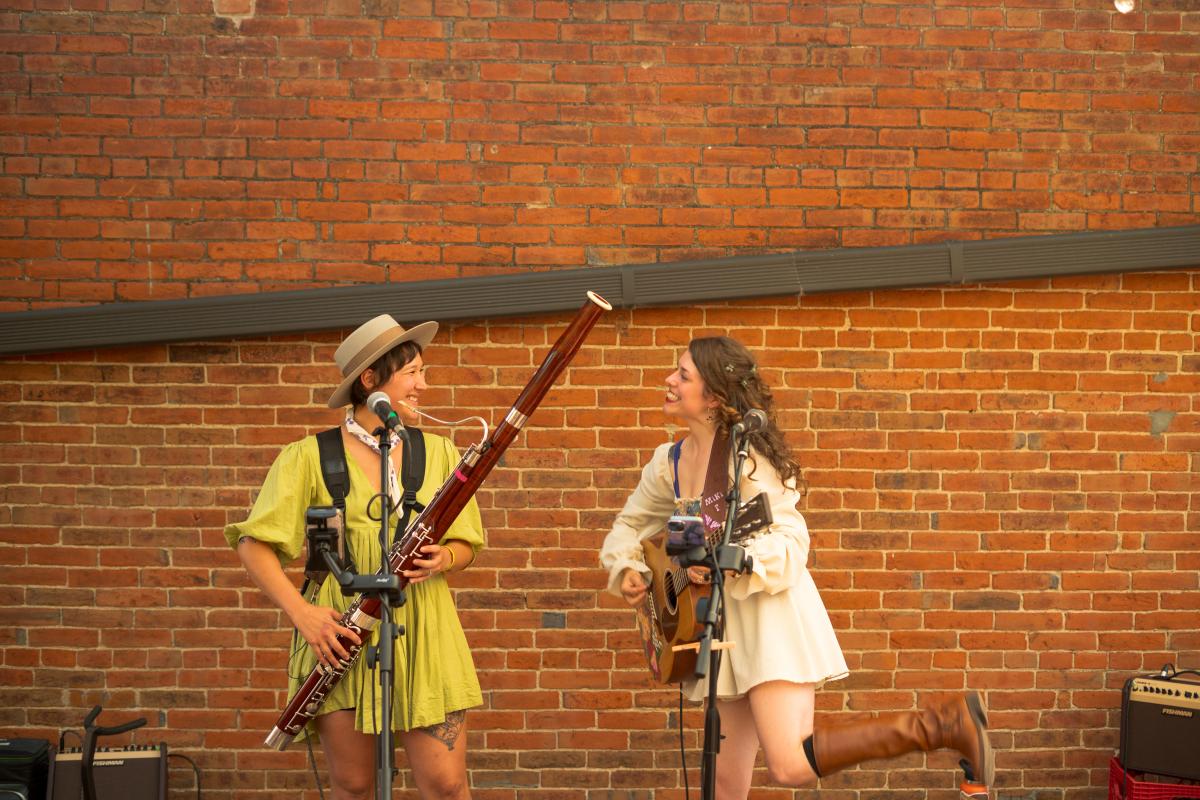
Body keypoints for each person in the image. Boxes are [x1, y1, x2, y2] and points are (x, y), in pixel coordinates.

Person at [600, 336, 993, 799]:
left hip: (770, 620)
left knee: (788, 765)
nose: (669, 380)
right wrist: (629, 569)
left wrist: (739, 560)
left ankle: (942, 725)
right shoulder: (670, 463)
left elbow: (789, 540)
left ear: (714, 397)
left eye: (683, 375)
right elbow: (629, 525)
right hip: (717, 628)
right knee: (723, 787)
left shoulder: (750, 461)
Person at [225, 314, 485, 800]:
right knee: (355, 785)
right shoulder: (305, 456)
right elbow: (253, 545)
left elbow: (467, 543)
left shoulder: (442, 452)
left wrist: (445, 558)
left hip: (425, 628)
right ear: (370, 381)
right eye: (413, 373)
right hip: (338, 634)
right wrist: (302, 615)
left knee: (447, 786)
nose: (424, 386)